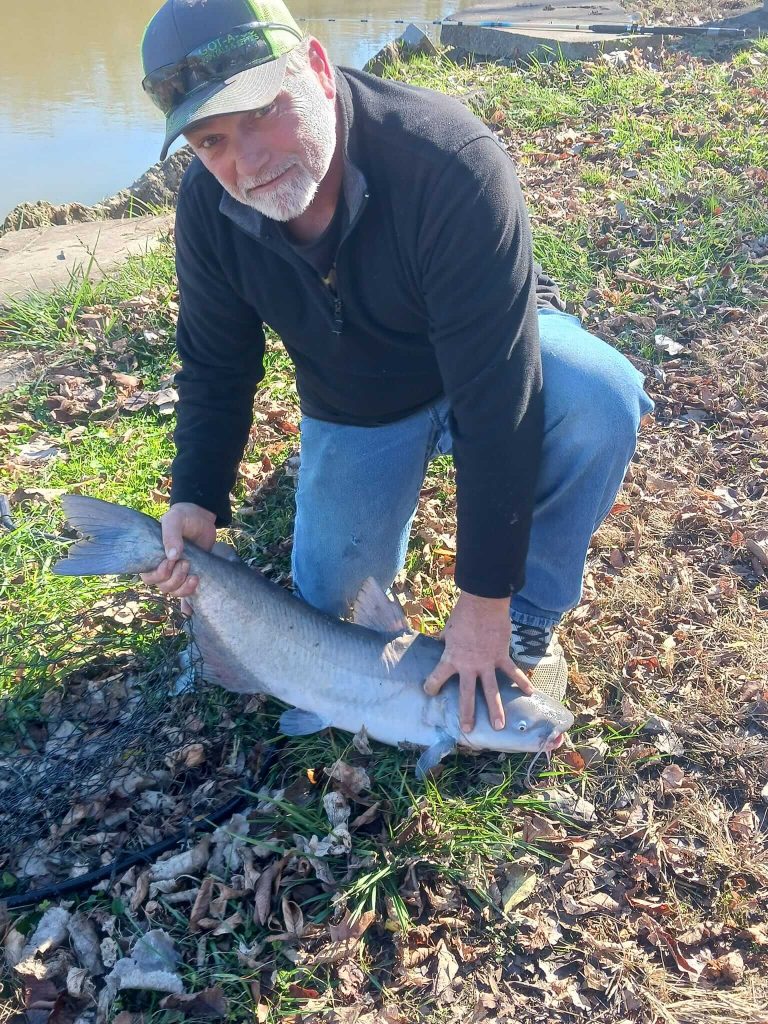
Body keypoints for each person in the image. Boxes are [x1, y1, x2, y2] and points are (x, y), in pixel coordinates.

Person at [138, 0, 653, 735]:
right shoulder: (208, 212)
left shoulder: (447, 161)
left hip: (493, 357)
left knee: (599, 397)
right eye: (213, 140)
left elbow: (498, 405)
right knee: (328, 606)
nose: (247, 161)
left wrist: (486, 603)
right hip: (358, 403)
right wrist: (196, 494)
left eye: (263, 113)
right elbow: (217, 366)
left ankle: (532, 620)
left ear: (316, 67)